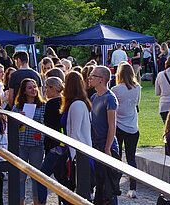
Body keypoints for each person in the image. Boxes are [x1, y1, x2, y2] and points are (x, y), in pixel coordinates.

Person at [11, 78, 46, 205]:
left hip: (36, 144)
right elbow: (11, 126)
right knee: (20, 176)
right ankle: (21, 201)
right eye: (30, 87)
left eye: (35, 87)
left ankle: (37, 202)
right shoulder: (16, 107)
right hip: (21, 144)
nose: (34, 90)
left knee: (36, 176)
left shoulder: (43, 106)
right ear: (24, 91)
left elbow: (46, 124)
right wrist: (18, 118)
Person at [89, 66, 120, 204]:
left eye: (92, 75)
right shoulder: (94, 97)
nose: (89, 78)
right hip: (96, 145)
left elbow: (112, 125)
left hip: (107, 147)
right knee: (100, 184)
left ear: (101, 80)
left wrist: (107, 148)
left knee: (109, 188)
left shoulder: (110, 98)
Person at [61, 71, 92, 201]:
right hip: (77, 151)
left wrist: (72, 156)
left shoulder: (77, 104)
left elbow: (75, 132)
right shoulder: (75, 103)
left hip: (80, 152)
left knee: (82, 190)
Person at [112, 62, 141, 198]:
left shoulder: (116, 89)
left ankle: (115, 185)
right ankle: (133, 188)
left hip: (119, 125)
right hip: (132, 126)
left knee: (117, 157)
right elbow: (136, 104)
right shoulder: (137, 88)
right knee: (131, 158)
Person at [37, 77, 66, 205]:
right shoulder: (64, 101)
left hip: (54, 147)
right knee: (61, 178)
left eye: (47, 87)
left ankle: (42, 202)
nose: (45, 91)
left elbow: (48, 126)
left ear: (53, 88)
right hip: (64, 145)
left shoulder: (51, 104)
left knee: (41, 177)